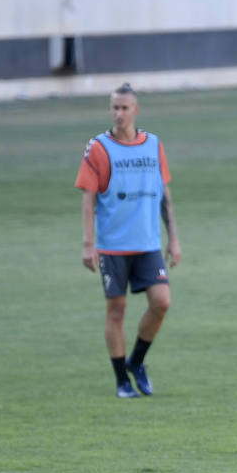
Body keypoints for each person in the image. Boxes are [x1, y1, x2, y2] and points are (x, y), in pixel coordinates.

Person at [75, 83, 182, 398]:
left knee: (162, 302)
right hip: (112, 246)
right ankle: (122, 380)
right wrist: (87, 243)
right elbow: (88, 199)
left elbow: (165, 195)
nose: (119, 113)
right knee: (117, 310)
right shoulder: (98, 148)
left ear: (136, 110)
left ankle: (137, 362)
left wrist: (173, 237)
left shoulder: (153, 145)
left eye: (124, 108)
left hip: (147, 244)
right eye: (114, 108)